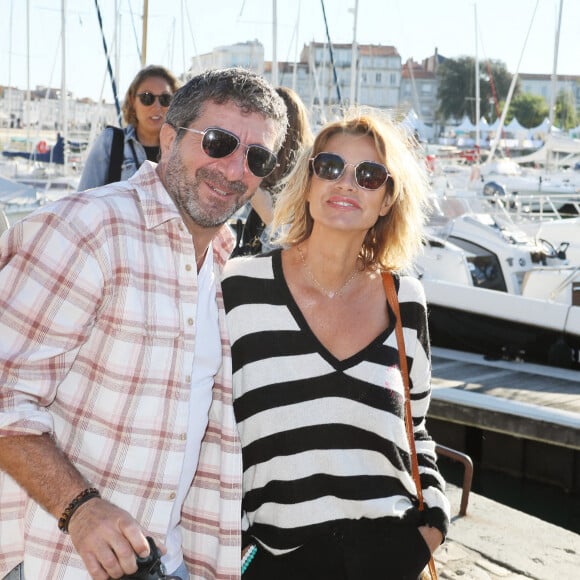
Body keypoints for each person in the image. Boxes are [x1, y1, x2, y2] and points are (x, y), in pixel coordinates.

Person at [0, 67, 288, 580]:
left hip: (173, 563)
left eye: (257, 156)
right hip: (60, 563)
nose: (234, 169)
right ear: (170, 138)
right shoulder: (86, 229)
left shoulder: (223, 267)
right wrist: (81, 507)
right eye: (219, 142)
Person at [222, 109, 450, 579]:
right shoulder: (240, 289)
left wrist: (432, 527)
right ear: (308, 183)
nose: (346, 184)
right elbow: (210, 428)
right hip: (275, 561)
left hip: (387, 559)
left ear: (387, 200)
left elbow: (418, 430)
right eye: (329, 167)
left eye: (368, 176)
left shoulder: (405, 299)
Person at [231, 86, 313, 256]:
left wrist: (268, 215)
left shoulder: (261, 170)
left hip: (270, 263)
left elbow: (295, 250)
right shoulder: (309, 170)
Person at [77, 65, 180, 190]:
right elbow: (85, 198)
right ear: (132, 100)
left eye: (165, 98)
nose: (157, 106)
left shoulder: (182, 147)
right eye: (147, 98)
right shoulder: (111, 142)